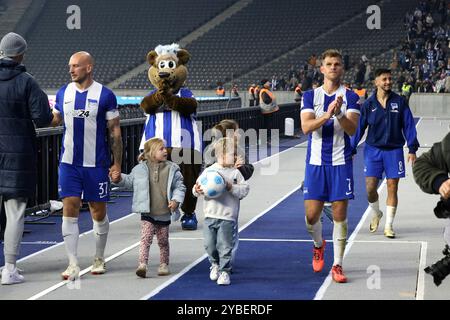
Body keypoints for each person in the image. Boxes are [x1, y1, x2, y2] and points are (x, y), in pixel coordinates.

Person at [50, 51, 122, 280]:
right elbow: (54, 120)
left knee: (97, 212)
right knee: (69, 208)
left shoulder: (106, 95)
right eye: (70, 66)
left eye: (76, 66)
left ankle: (99, 258)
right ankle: (72, 263)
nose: (71, 70)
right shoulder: (63, 93)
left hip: (96, 165)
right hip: (69, 164)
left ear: (89, 68)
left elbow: (115, 131)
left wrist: (117, 163)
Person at [300, 49, 360, 283]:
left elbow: (352, 130)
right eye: (329, 64)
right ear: (322, 69)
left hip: (340, 162)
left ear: (342, 69)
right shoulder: (309, 96)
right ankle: (318, 244)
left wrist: (339, 115)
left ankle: (338, 264)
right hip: (315, 163)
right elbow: (306, 128)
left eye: (337, 64)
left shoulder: (352, 97)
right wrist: (327, 115)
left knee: (339, 214)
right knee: (311, 215)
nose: (333, 67)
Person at [0, 32, 54, 285]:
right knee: (15, 212)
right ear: (20, 53)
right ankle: (9, 268)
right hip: (18, 155)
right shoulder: (27, 81)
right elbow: (42, 118)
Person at [351, 68, 419, 239]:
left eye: (389, 79)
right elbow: (359, 129)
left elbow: (409, 125)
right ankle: (376, 212)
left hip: (394, 151)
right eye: (384, 79)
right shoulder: (368, 104)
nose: (388, 82)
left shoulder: (400, 102)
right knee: (370, 188)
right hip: (373, 150)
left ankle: (389, 226)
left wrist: (412, 148)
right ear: (376, 82)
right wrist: (351, 148)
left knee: (392, 187)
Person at [111, 138, 185, 278]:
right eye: (161, 149)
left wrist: (176, 200)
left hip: (164, 213)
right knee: (146, 239)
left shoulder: (172, 169)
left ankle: (164, 264)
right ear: (151, 153)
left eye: (165, 148)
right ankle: (142, 264)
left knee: (163, 241)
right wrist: (118, 178)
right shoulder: (139, 170)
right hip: (147, 212)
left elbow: (180, 186)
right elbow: (128, 181)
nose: (165, 151)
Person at [193, 137, 250, 285]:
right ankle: (215, 265)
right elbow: (197, 187)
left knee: (225, 246)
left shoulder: (235, 173)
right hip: (210, 214)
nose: (235, 157)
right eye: (233, 154)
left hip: (228, 216)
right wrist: (196, 190)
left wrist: (231, 187)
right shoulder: (209, 171)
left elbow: (244, 190)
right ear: (221, 155)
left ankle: (225, 272)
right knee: (209, 244)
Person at [203, 119, 254, 269]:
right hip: (213, 202)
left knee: (230, 232)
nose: (240, 133)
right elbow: (206, 173)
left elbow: (248, 172)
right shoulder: (212, 150)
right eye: (237, 130)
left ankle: (227, 263)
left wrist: (241, 168)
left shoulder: (239, 150)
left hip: (231, 201)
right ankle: (216, 261)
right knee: (211, 238)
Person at [259, 79, 279, 146]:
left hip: (269, 111)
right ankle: (264, 141)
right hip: (267, 111)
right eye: (268, 82)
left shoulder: (267, 90)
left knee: (268, 126)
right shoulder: (264, 91)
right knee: (266, 126)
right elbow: (266, 100)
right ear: (264, 84)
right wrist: (271, 101)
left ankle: (266, 140)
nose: (269, 83)